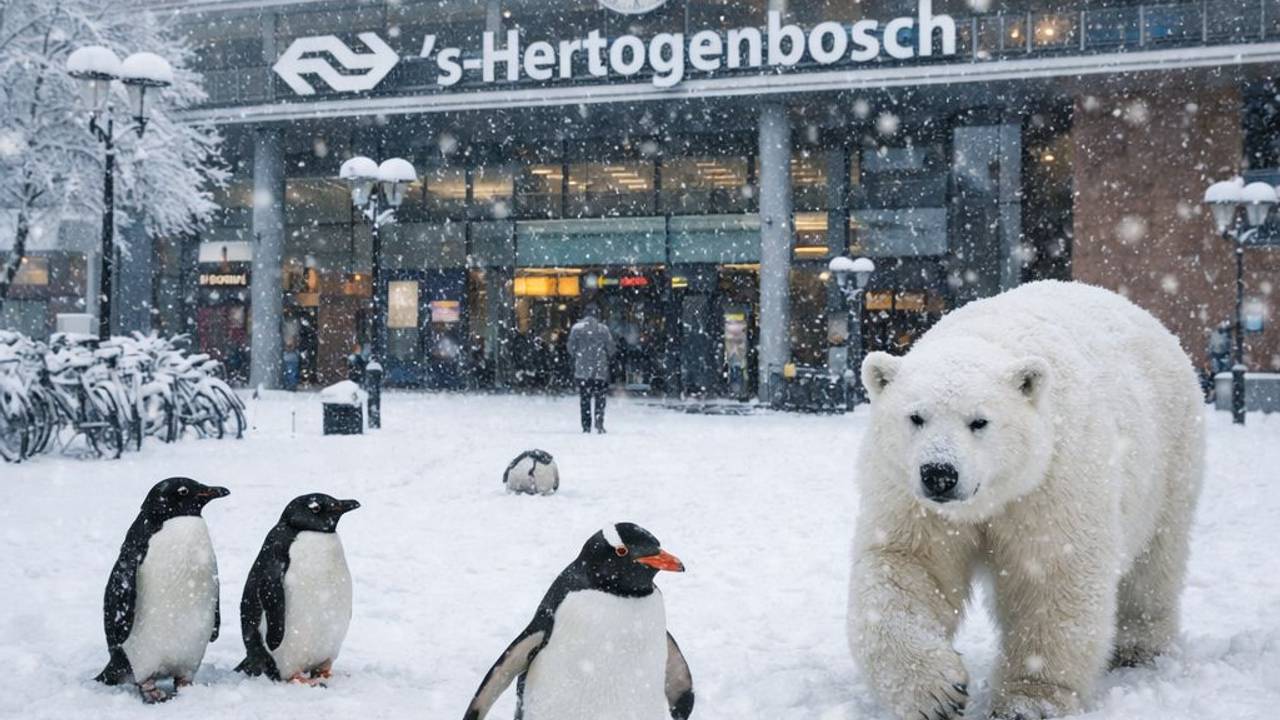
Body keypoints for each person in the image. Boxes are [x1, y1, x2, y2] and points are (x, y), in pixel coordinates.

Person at [568, 304, 615, 433]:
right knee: (600, 398)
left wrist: (579, 355)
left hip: (583, 370)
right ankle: (599, 423)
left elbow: (571, 348)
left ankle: (586, 425)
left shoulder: (576, 329)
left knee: (585, 398)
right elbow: (611, 348)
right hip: (600, 370)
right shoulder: (603, 329)